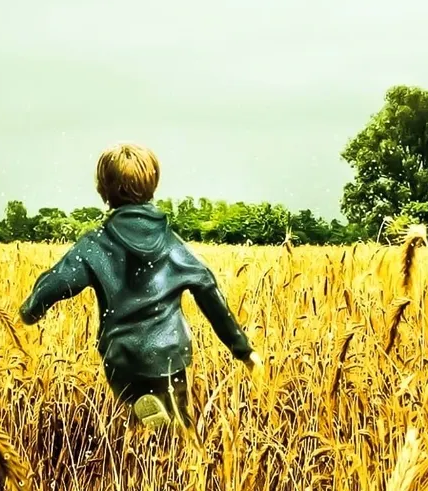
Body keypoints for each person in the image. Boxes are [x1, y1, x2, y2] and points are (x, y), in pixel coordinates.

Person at [19, 142, 262, 431]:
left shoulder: (96, 243)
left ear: (102, 189)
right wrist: (243, 350)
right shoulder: (171, 244)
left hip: (122, 355)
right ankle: (176, 444)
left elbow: (58, 282)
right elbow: (207, 290)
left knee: (139, 411)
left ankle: (139, 404)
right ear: (153, 186)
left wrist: (31, 310)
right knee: (178, 421)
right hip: (169, 351)